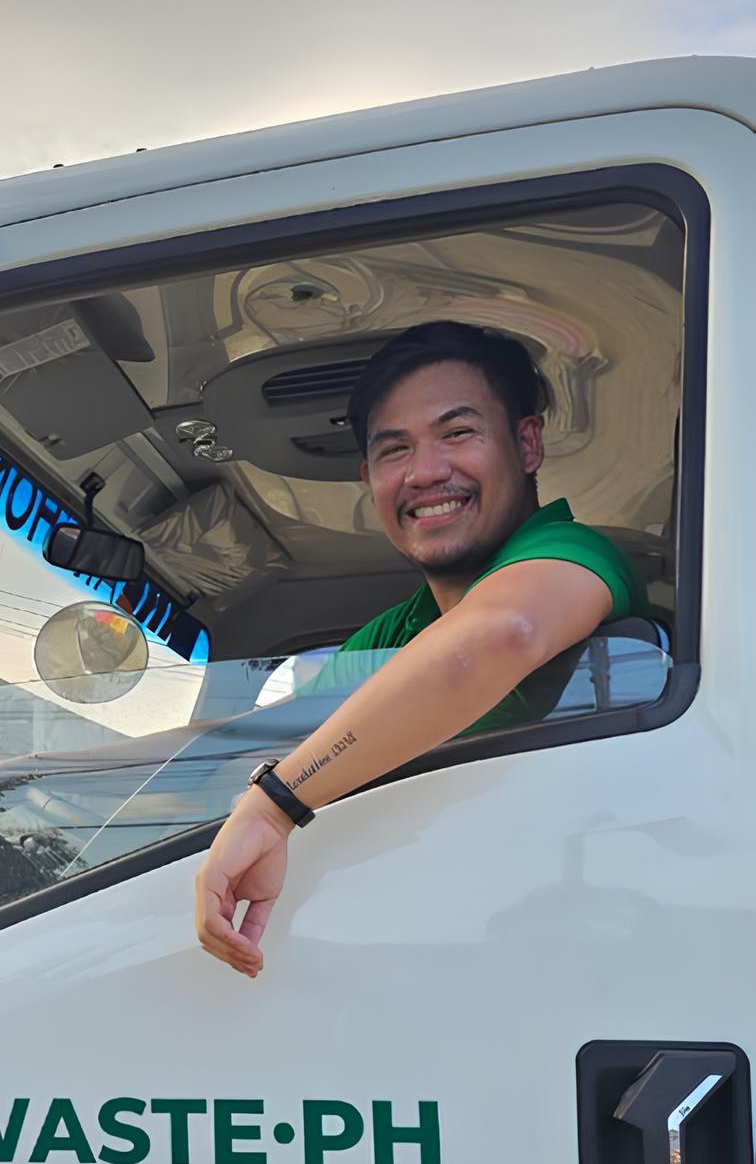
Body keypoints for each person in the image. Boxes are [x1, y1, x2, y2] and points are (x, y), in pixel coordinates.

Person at [194, 322, 649, 979]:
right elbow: (249, 739)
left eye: (457, 434)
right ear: (368, 476)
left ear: (526, 444)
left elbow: (499, 637)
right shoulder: (400, 635)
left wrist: (272, 809)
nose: (427, 472)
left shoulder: (572, 555)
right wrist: (30, 772)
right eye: (394, 450)